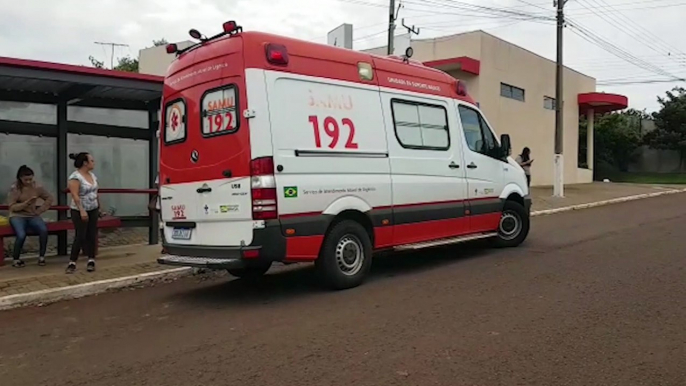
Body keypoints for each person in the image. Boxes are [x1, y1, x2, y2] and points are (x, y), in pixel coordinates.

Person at [6, 166, 53, 267]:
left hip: (32, 215)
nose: (28, 182)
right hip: (17, 215)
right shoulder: (15, 188)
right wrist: (26, 204)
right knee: (21, 235)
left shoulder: (37, 187)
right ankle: (16, 259)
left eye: (30, 179)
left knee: (43, 230)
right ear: (20, 178)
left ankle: (41, 257)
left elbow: (49, 198)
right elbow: (12, 206)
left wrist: (40, 210)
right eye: (25, 180)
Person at [66, 152, 102, 274]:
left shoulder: (92, 175)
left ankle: (91, 259)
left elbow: (96, 192)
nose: (94, 162)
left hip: (93, 208)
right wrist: (81, 210)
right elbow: (75, 195)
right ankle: (72, 262)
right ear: (85, 163)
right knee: (80, 235)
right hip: (79, 209)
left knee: (91, 234)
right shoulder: (75, 177)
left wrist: (99, 206)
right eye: (91, 160)